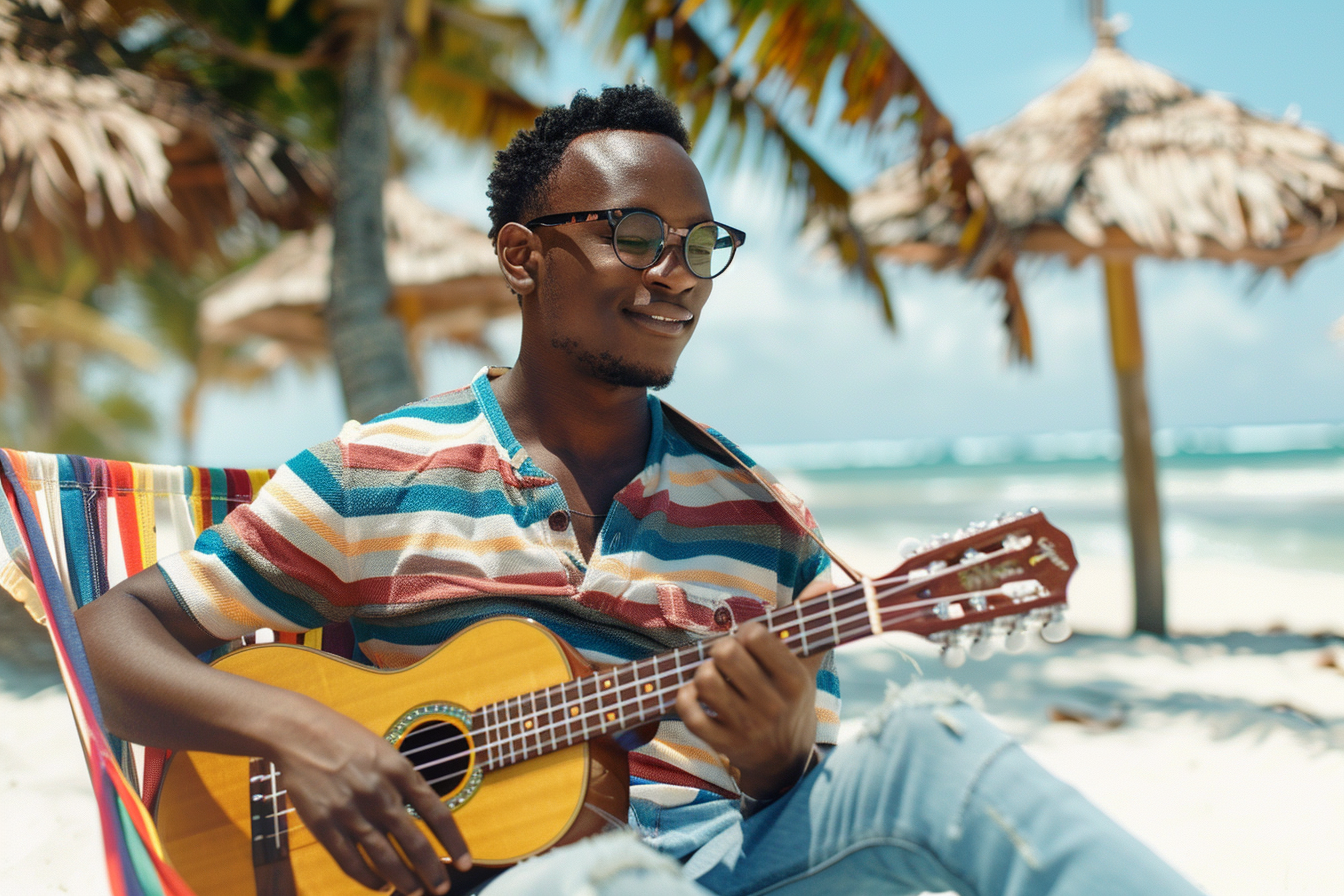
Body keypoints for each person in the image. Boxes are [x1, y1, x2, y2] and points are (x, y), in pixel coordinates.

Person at [77, 86, 1203, 896]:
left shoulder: (760, 522)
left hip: (726, 869)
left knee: (935, 751)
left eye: (701, 244)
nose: (679, 274)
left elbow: (798, 784)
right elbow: (113, 632)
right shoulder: (378, 473)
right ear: (524, 257)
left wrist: (775, 756)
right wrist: (300, 733)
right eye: (637, 235)